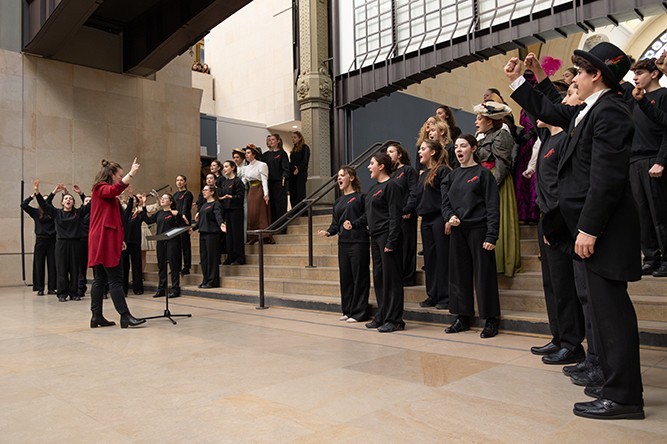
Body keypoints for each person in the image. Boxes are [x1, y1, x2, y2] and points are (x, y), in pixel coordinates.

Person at [506, 43, 644, 420]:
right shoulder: (591, 109)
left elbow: (607, 180)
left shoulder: (609, 111)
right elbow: (553, 107)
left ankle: (623, 396)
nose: (574, 79)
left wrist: (588, 229)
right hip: (588, 230)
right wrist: (522, 79)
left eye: (579, 72)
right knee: (601, 314)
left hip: (602, 232)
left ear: (595, 74)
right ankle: (612, 385)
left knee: (611, 316)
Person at [516, 57, 587, 366]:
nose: (536, 115)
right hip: (548, 220)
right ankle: (559, 336)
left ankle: (572, 343)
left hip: (563, 222)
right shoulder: (546, 139)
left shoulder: (567, 137)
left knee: (565, 284)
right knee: (552, 283)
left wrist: (555, 224)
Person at [442, 135, 501, 338]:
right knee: (459, 274)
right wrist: (450, 216)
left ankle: (491, 319)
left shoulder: (484, 174)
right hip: (458, 231)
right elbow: (445, 203)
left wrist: (492, 235)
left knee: (484, 275)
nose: (459, 150)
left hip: (480, 229)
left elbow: (493, 206)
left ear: (473, 148)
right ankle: (462, 317)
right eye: (456, 146)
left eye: (463, 146)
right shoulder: (452, 176)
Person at [346, 153, 404, 333]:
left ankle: (395, 320)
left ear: (381, 166)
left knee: (391, 279)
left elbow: (395, 216)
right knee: (379, 278)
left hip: (387, 236)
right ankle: (382, 314)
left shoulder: (392, 185)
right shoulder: (372, 189)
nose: (369, 167)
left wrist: (392, 241)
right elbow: (367, 215)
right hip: (375, 237)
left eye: (372, 164)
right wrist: (354, 224)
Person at [87, 158, 145, 328]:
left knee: (100, 279)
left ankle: (96, 316)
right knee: (115, 279)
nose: (121, 179)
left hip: (103, 238)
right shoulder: (100, 188)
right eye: (119, 175)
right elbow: (113, 190)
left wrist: (120, 240)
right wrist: (131, 174)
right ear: (111, 175)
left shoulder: (103, 192)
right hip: (104, 239)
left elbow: (115, 219)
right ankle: (125, 316)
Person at [627, 58, 667, 277]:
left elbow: (666, 131)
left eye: (640, 72)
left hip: (655, 159)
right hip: (635, 161)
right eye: (634, 73)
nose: (635, 77)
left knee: (660, 213)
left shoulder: (663, 96)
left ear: (654, 74)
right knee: (642, 214)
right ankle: (651, 257)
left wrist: (661, 160)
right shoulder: (635, 99)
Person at [474, 101, 522, 277]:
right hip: (484, 179)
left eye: (479, 118)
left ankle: (503, 261)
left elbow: (502, 165)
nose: (476, 122)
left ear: (489, 121)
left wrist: (491, 188)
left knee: (499, 219)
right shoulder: (483, 136)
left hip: (496, 181)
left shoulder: (501, 135)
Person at [319, 166, 370, 323]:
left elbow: (367, 217)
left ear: (352, 178)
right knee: (346, 278)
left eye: (342, 175)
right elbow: (335, 224)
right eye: (338, 176)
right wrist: (328, 232)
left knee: (359, 277)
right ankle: (347, 310)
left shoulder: (361, 198)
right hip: (344, 243)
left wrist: (353, 224)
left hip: (358, 242)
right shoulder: (338, 202)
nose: (339, 178)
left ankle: (359, 312)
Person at [35, 182, 89, 302]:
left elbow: (89, 205)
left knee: (75, 269)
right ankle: (62, 294)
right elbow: (44, 205)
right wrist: (50, 192)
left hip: (75, 244)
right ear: (62, 202)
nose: (68, 200)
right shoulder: (57, 213)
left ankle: (74, 293)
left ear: (73, 202)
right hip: (61, 244)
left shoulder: (78, 213)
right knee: (61, 269)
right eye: (66, 198)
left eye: (70, 198)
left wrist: (81, 194)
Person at [413, 139, 451, 309]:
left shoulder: (443, 171)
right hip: (426, 219)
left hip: (439, 218)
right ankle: (432, 294)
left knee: (442, 257)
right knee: (430, 259)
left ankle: (445, 296)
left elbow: (446, 197)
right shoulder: (422, 174)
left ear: (433, 152)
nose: (419, 152)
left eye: (423, 149)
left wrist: (448, 218)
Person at [142, 193, 187, 298]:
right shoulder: (159, 213)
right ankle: (161, 288)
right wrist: (144, 204)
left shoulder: (174, 213)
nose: (162, 200)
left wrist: (178, 216)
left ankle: (175, 289)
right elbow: (148, 220)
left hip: (172, 242)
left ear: (170, 202)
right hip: (161, 242)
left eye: (165, 198)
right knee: (161, 266)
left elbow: (182, 225)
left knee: (174, 266)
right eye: (162, 198)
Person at [386, 142, 418, 286]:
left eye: (391, 152)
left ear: (399, 155)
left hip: (406, 214)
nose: (388, 155)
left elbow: (413, 191)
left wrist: (408, 209)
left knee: (407, 246)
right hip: (395, 216)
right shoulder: (391, 174)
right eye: (387, 152)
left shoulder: (408, 170)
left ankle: (408, 278)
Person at [21, 189, 57, 296]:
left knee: (52, 265)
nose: (44, 202)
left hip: (52, 241)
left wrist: (52, 195)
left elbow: (46, 203)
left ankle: (51, 288)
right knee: (39, 264)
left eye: (47, 200)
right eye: (42, 200)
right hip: (40, 241)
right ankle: (40, 288)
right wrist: (32, 195)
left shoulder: (53, 212)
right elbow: (23, 205)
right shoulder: (36, 212)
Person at [194, 185, 225, 288]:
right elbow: (201, 221)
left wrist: (221, 224)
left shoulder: (216, 204)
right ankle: (205, 279)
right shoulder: (203, 205)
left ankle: (212, 281)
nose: (204, 192)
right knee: (204, 259)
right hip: (203, 233)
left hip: (212, 234)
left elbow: (218, 216)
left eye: (206, 190)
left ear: (212, 192)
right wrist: (192, 229)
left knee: (212, 258)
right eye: (203, 190)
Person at [244, 144, 273, 244]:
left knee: (260, 212)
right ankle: (252, 236)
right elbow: (244, 180)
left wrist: (266, 194)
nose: (246, 155)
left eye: (248, 153)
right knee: (251, 213)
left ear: (254, 154)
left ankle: (264, 235)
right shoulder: (246, 168)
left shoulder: (262, 165)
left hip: (259, 189)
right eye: (246, 153)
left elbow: (264, 180)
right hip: (251, 190)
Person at [220, 160, 246, 265]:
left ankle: (239, 257)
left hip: (236, 210)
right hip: (227, 210)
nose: (224, 169)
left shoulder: (238, 181)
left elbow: (240, 197)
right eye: (223, 167)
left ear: (233, 168)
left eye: (226, 167)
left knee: (237, 234)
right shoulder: (225, 182)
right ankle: (230, 256)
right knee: (229, 235)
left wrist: (231, 197)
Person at [263, 133, 290, 224]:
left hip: (279, 183)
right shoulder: (265, 155)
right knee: (271, 206)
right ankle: (272, 226)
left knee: (280, 205)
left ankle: (281, 226)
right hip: (268, 183)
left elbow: (285, 168)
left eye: (273, 139)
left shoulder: (282, 153)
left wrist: (284, 176)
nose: (271, 141)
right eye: (269, 140)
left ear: (278, 141)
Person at [122, 194, 144, 296]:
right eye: (132, 199)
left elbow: (147, 220)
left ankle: (138, 288)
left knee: (137, 266)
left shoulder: (139, 213)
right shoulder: (124, 212)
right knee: (124, 266)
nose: (133, 201)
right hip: (125, 242)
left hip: (135, 241)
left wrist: (142, 207)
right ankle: (123, 289)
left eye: (135, 200)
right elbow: (127, 213)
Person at [173, 175, 194, 276]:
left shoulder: (187, 193)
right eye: (177, 180)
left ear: (185, 182)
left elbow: (186, 207)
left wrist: (184, 218)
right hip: (175, 223)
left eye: (181, 180)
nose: (179, 182)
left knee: (185, 246)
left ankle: (186, 267)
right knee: (176, 246)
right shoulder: (175, 194)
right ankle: (176, 267)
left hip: (184, 222)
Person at [289, 131, 311, 209]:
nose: (293, 139)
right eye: (292, 137)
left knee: (300, 193)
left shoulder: (305, 147)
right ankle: (294, 210)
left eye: (295, 137)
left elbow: (305, 161)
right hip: (292, 174)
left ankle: (301, 210)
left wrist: (298, 169)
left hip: (301, 173)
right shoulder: (293, 149)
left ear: (300, 138)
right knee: (293, 193)